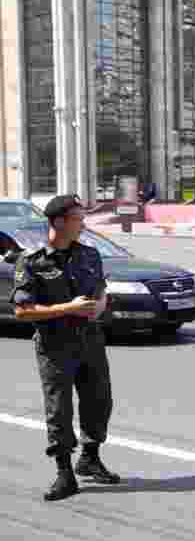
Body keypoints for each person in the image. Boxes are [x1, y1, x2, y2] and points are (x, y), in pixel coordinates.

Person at [10, 194, 120, 502]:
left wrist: (98, 306)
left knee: (99, 401)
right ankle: (64, 473)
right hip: (55, 345)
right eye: (78, 219)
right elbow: (23, 311)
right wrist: (67, 308)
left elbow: (99, 291)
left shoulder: (90, 255)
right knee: (59, 409)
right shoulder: (32, 262)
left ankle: (90, 458)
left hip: (91, 340)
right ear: (58, 222)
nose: (83, 224)